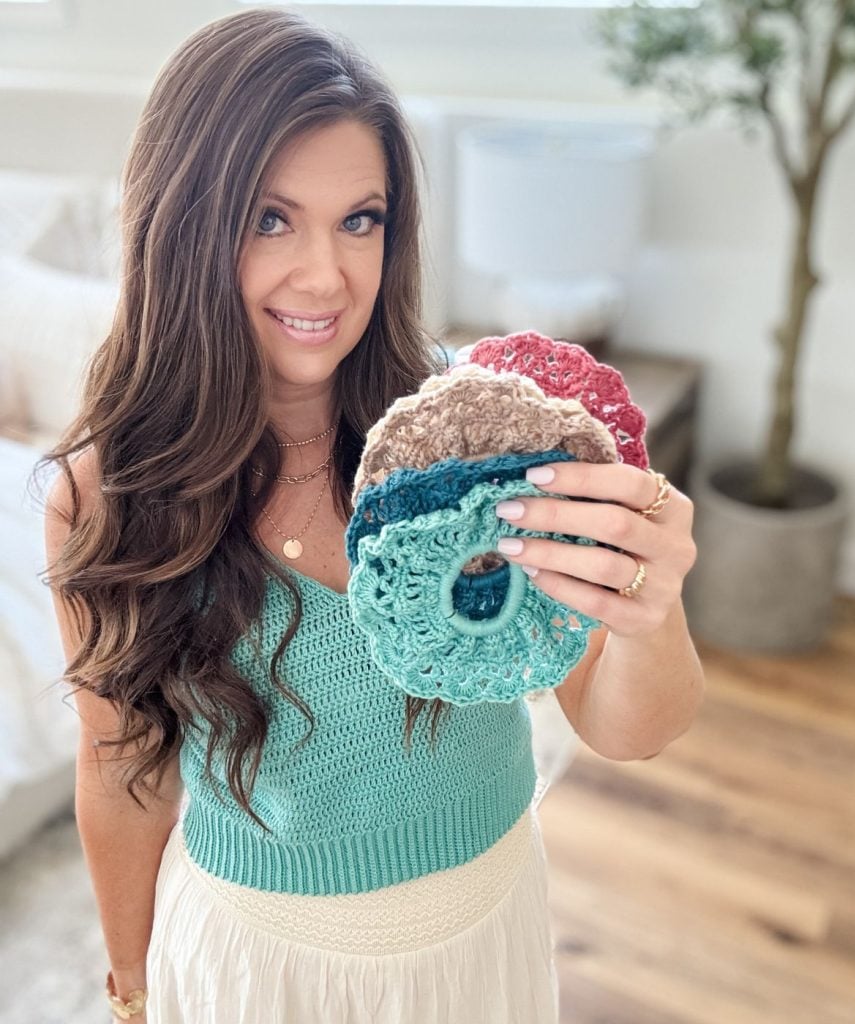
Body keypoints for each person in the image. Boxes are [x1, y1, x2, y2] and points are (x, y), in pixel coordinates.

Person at [38, 7, 705, 1023]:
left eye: (361, 218)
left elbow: (623, 726)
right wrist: (132, 986)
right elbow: (121, 769)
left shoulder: (471, 437)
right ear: (180, 225)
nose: (327, 275)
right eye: (270, 218)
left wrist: (647, 613)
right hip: (255, 966)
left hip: (481, 944)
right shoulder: (106, 495)